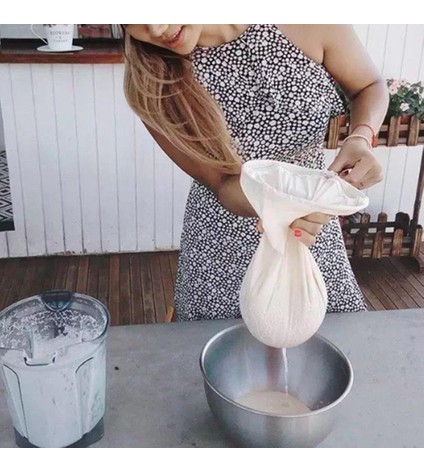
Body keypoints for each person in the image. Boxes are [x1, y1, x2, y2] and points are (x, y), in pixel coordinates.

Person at [120, 24, 389, 321]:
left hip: (311, 231)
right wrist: (282, 206)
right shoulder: (150, 81)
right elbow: (222, 182)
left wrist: (361, 137)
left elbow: (369, 85)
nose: (156, 28)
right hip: (223, 245)